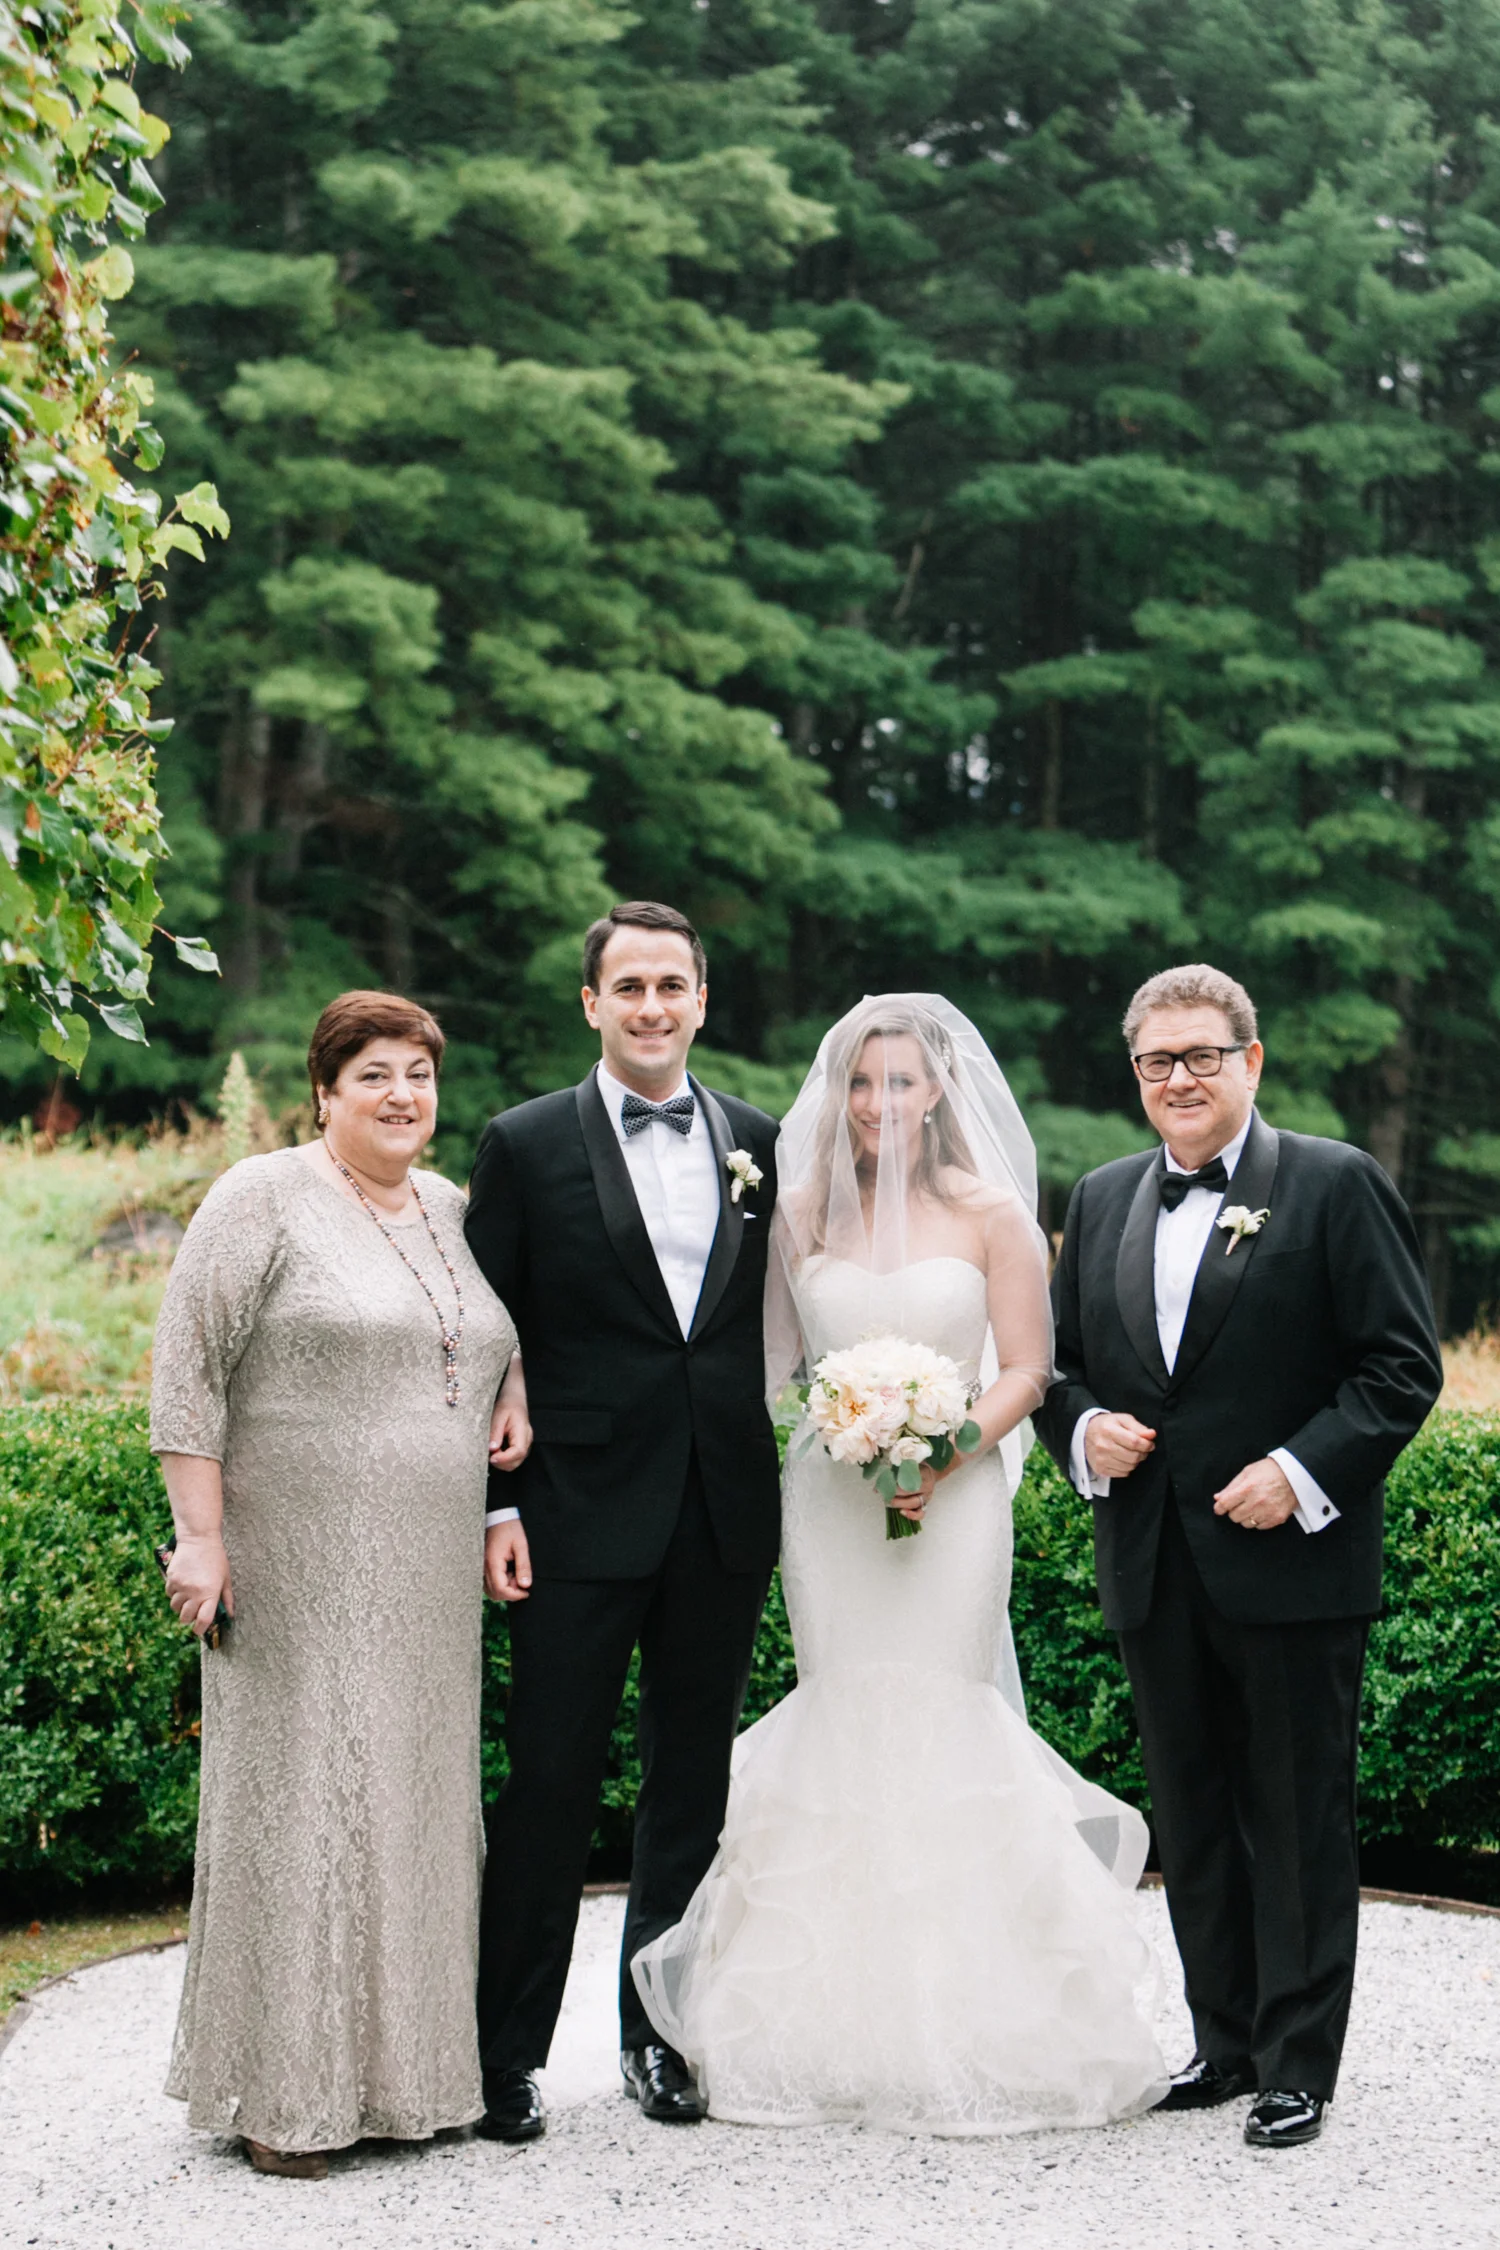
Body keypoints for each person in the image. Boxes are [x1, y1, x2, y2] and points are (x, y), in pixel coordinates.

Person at [632, 996, 1169, 2134]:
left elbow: (1027, 1367)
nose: (880, 1102)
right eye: (862, 1082)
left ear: (937, 1094)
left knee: (943, 1706)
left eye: (902, 1082)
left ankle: (972, 2018)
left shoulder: (993, 1215)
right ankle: (824, 2026)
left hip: (956, 1500)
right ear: (840, 1093)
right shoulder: (799, 1216)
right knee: (843, 1707)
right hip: (832, 1500)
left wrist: (944, 1446)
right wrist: (843, 1432)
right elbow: (767, 1366)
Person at [1036, 963, 1443, 2151]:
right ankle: (1224, 2044)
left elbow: (1399, 1368)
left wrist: (1300, 1473)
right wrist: (1082, 1430)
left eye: (1202, 1056)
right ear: (1136, 1074)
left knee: (1298, 1817)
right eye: (1157, 1060)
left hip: (1292, 1569)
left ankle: (1298, 2064)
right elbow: (1059, 1368)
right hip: (1152, 1561)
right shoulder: (1101, 1197)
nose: (1180, 1078)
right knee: (1196, 1816)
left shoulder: (1333, 1183)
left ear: (1250, 1062)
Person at [151, 992, 528, 2176]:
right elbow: (187, 1371)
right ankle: (286, 2099)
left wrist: (514, 1394)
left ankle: (411, 2084)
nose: (401, 1095)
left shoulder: (454, 1209)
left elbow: (490, 1337)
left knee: (413, 1804)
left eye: (418, 1074)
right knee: (305, 1801)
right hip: (296, 1561)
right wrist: (199, 1538)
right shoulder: (260, 1196)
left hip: (427, 1574)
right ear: (323, 1092)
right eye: (373, 1075)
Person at [464, 901, 782, 2141]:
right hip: (571, 1512)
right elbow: (477, 1342)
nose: (653, 1007)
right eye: (630, 987)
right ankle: (503, 2057)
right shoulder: (524, 1143)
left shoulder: (760, 1142)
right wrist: (495, 1502)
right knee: (548, 1785)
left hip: (720, 1510)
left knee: (689, 1788)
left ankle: (660, 2040)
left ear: (702, 1001)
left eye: (672, 985)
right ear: (592, 1004)